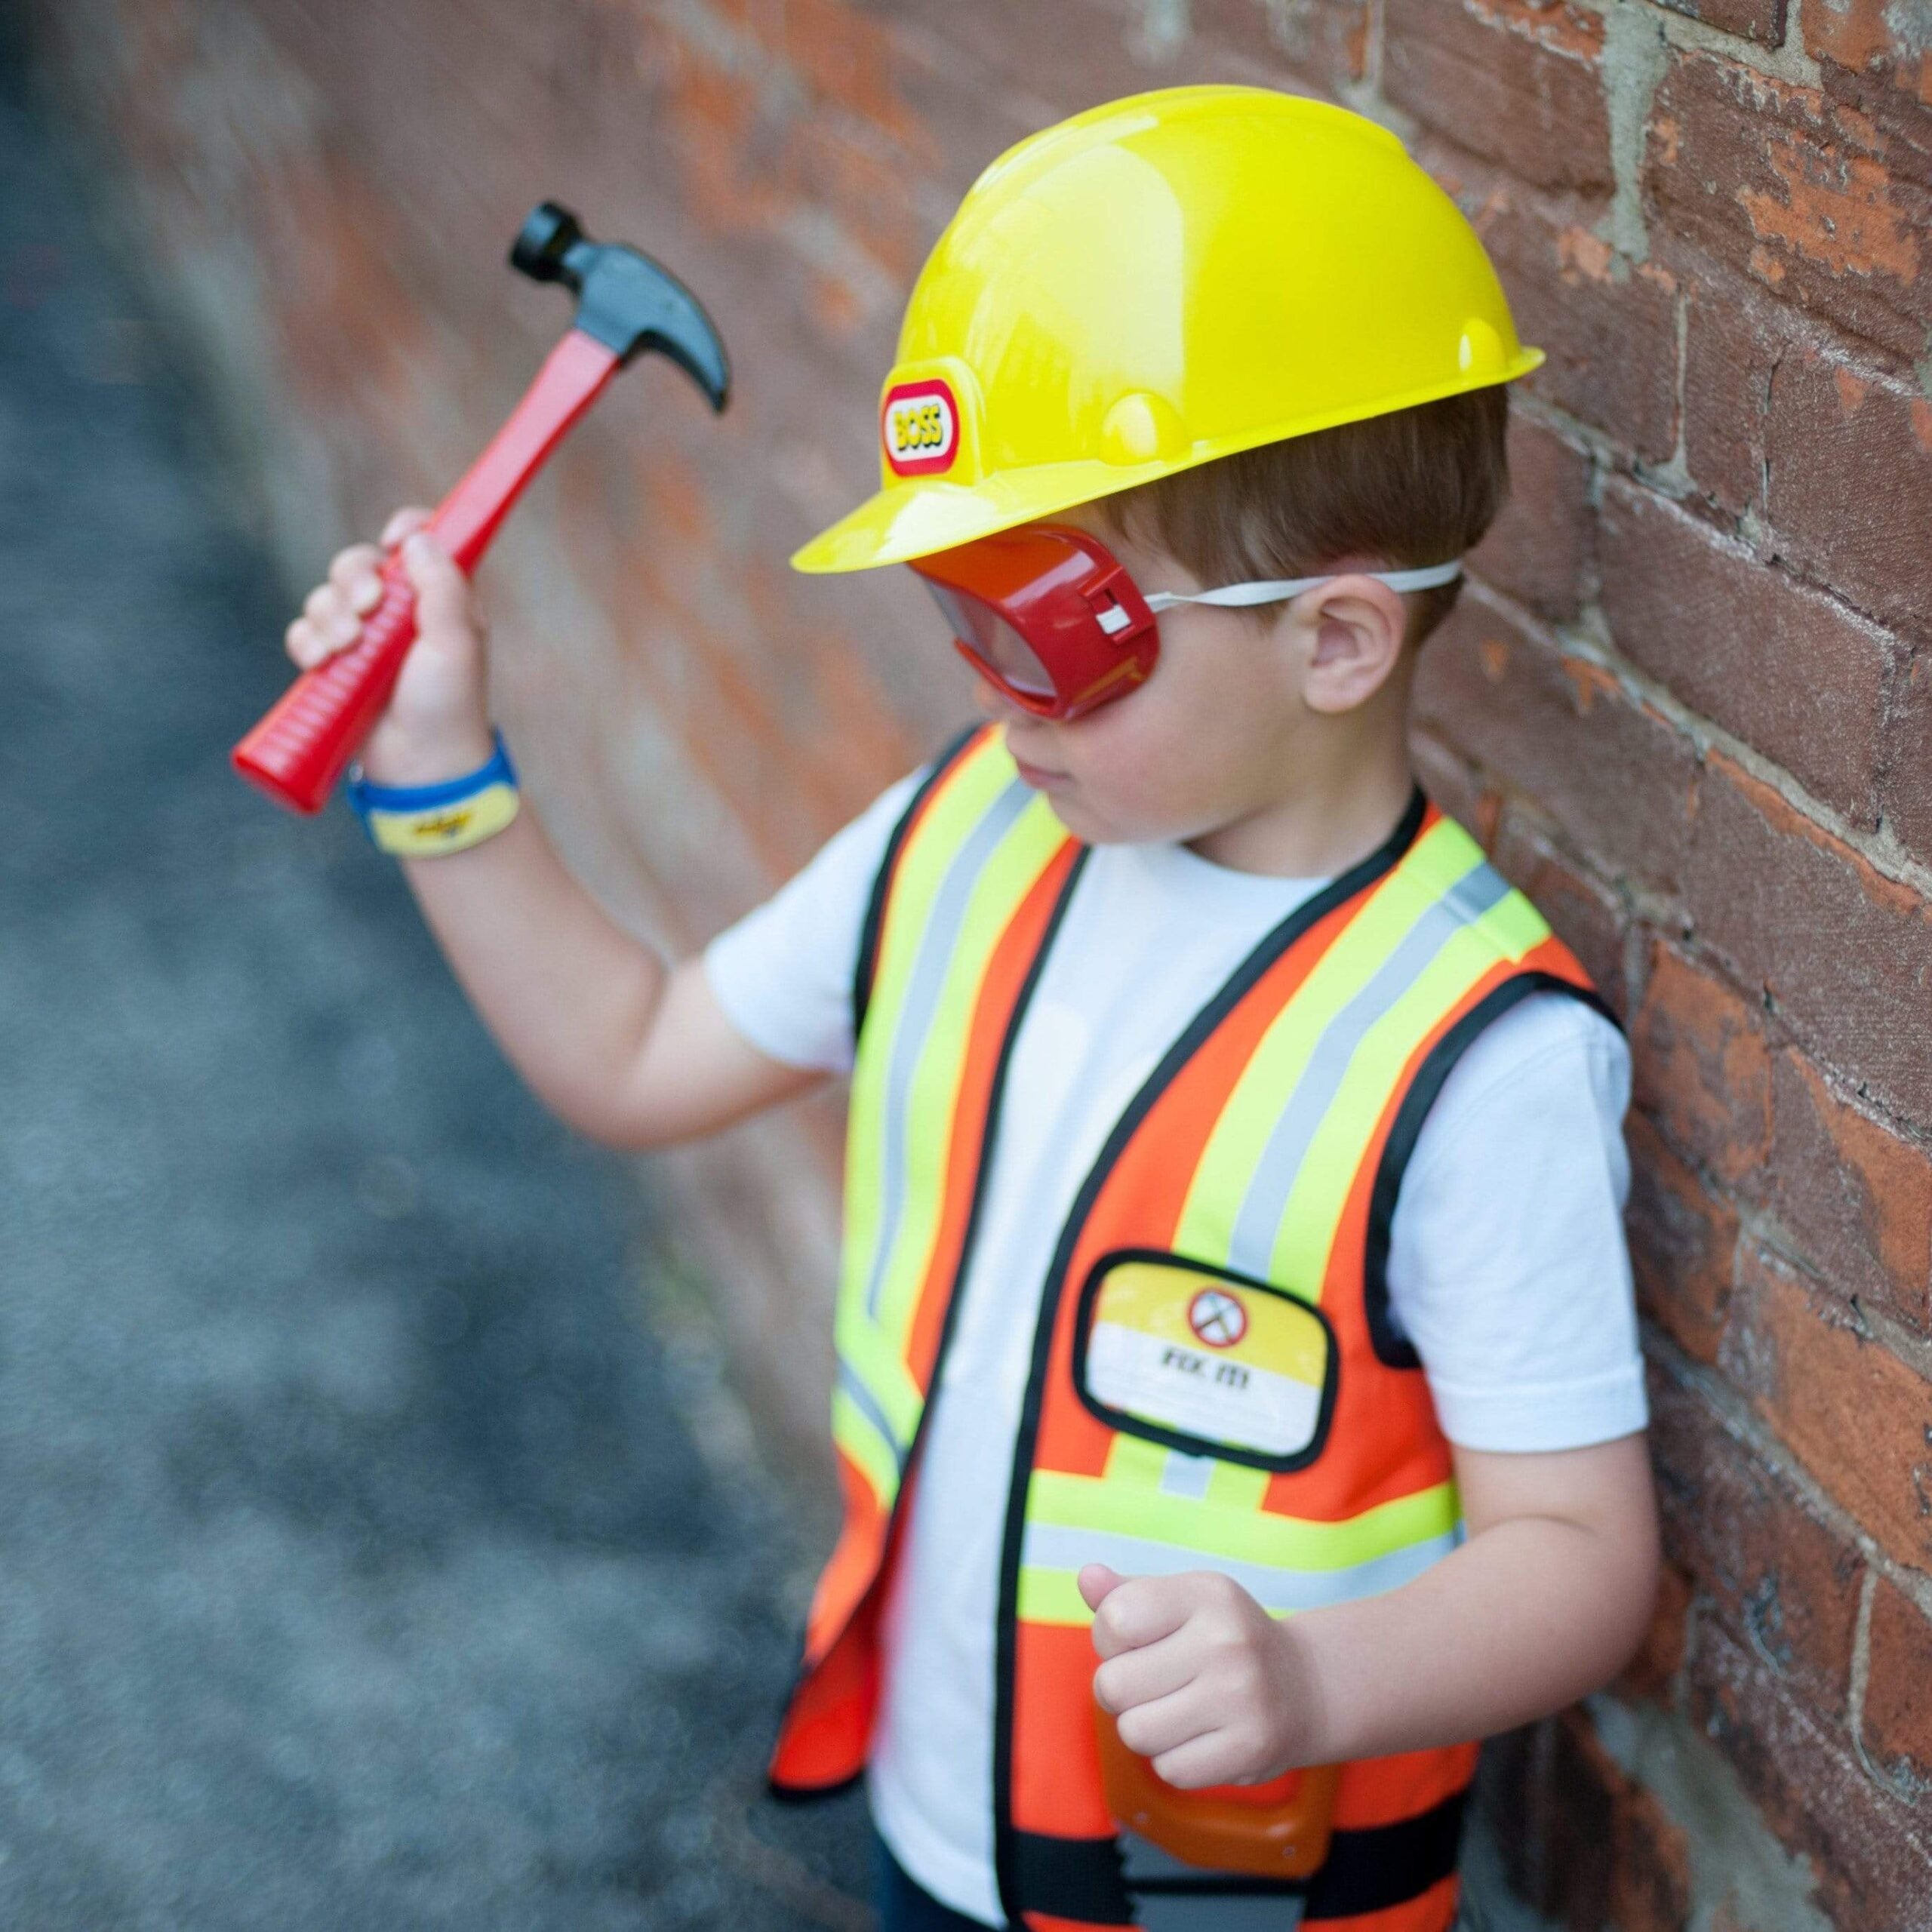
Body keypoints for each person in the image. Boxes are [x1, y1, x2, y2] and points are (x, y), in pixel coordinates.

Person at [286, 87, 1658, 1932]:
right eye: (954, 599)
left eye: (1051, 623)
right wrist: (435, 766)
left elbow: (1578, 1560)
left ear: (1333, 639)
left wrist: (1315, 1682)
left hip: (1231, 1900)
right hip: (935, 1828)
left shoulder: (1471, 1051)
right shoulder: (957, 833)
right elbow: (627, 1055)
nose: (993, 689)